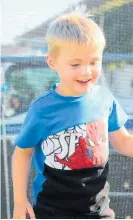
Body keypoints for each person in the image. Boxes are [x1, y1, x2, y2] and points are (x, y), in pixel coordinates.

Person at [12, 12, 133, 219]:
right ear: (52, 62)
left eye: (94, 62)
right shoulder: (42, 108)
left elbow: (122, 140)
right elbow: (22, 153)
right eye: (75, 64)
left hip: (99, 211)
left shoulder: (104, 98)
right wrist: (19, 200)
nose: (86, 71)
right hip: (52, 211)